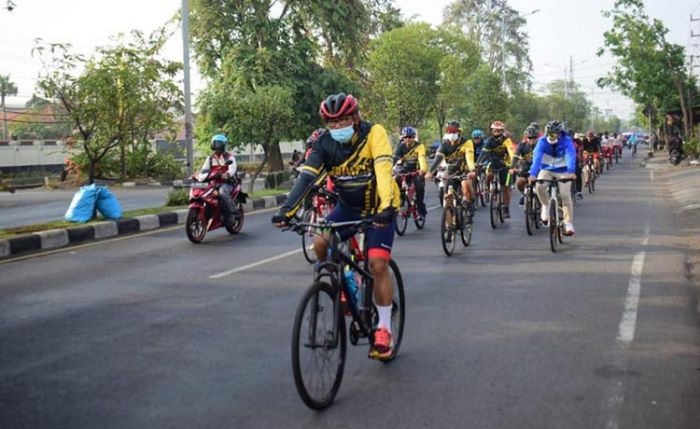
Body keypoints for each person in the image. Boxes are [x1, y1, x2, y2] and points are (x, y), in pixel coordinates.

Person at [271, 92, 400, 360]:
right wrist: (286, 211)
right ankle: (346, 285)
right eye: (332, 123)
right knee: (320, 242)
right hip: (348, 207)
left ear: (355, 117)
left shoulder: (373, 133)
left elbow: (383, 169)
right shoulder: (324, 144)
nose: (338, 127)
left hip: (379, 207)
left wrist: (387, 207)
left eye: (343, 120)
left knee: (377, 264)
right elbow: (307, 177)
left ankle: (384, 329)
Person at [528, 121, 577, 236]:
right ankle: (545, 205)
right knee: (539, 185)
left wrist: (571, 171)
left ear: (560, 134)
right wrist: (533, 174)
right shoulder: (542, 141)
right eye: (549, 134)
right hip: (547, 169)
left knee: (565, 195)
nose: (552, 136)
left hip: (563, 170)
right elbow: (537, 158)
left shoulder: (566, 141)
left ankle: (568, 222)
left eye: (555, 134)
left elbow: (570, 155)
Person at [425, 121, 476, 213]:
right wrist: (430, 172)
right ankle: (449, 225)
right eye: (449, 131)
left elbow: (469, 158)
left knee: (465, 185)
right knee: (447, 197)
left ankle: (469, 203)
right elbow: (438, 159)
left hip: (464, 171)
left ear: (459, 132)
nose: (452, 134)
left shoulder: (467, 142)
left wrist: (472, 169)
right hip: (451, 172)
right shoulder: (444, 144)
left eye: (454, 132)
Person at [197, 134, 239, 226]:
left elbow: (232, 169)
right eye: (215, 143)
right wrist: (198, 176)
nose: (216, 146)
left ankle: (233, 211)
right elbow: (204, 169)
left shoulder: (229, 157)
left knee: (222, 192)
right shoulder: (210, 158)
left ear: (223, 145)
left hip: (227, 182)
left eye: (219, 144)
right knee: (201, 193)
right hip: (213, 182)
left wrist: (227, 174)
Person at [476, 120, 515, 218]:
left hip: (505, 164)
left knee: (505, 187)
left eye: (499, 131)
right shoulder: (489, 141)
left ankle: (506, 208)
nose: (497, 132)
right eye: (495, 130)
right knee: (489, 174)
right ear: (492, 131)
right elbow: (483, 153)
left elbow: (511, 152)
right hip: (492, 163)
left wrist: (513, 165)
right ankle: (487, 187)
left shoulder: (507, 140)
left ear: (502, 131)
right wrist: (478, 163)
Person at [393, 126, 428, 219]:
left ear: (414, 137)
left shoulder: (419, 146)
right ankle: (402, 201)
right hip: (405, 171)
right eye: (406, 137)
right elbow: (395, 159)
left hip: (416, 172)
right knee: (396, 180)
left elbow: (422, 158)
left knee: (419, 187)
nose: (408, 139)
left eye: (410, 137)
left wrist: (423, 170)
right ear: (403, 138)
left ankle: (421, 211)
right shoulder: (401, 147)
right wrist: (388, 170)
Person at [510, 125, 538, 207]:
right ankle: (524, 194)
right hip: (525, 169)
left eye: (534, 137)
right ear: (526, 137)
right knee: (519, 182)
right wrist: (512, 167)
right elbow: (515, 156)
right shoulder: (522, 145)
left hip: (537, 170)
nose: (532, 139)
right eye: (530, 137)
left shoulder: (540, 145)